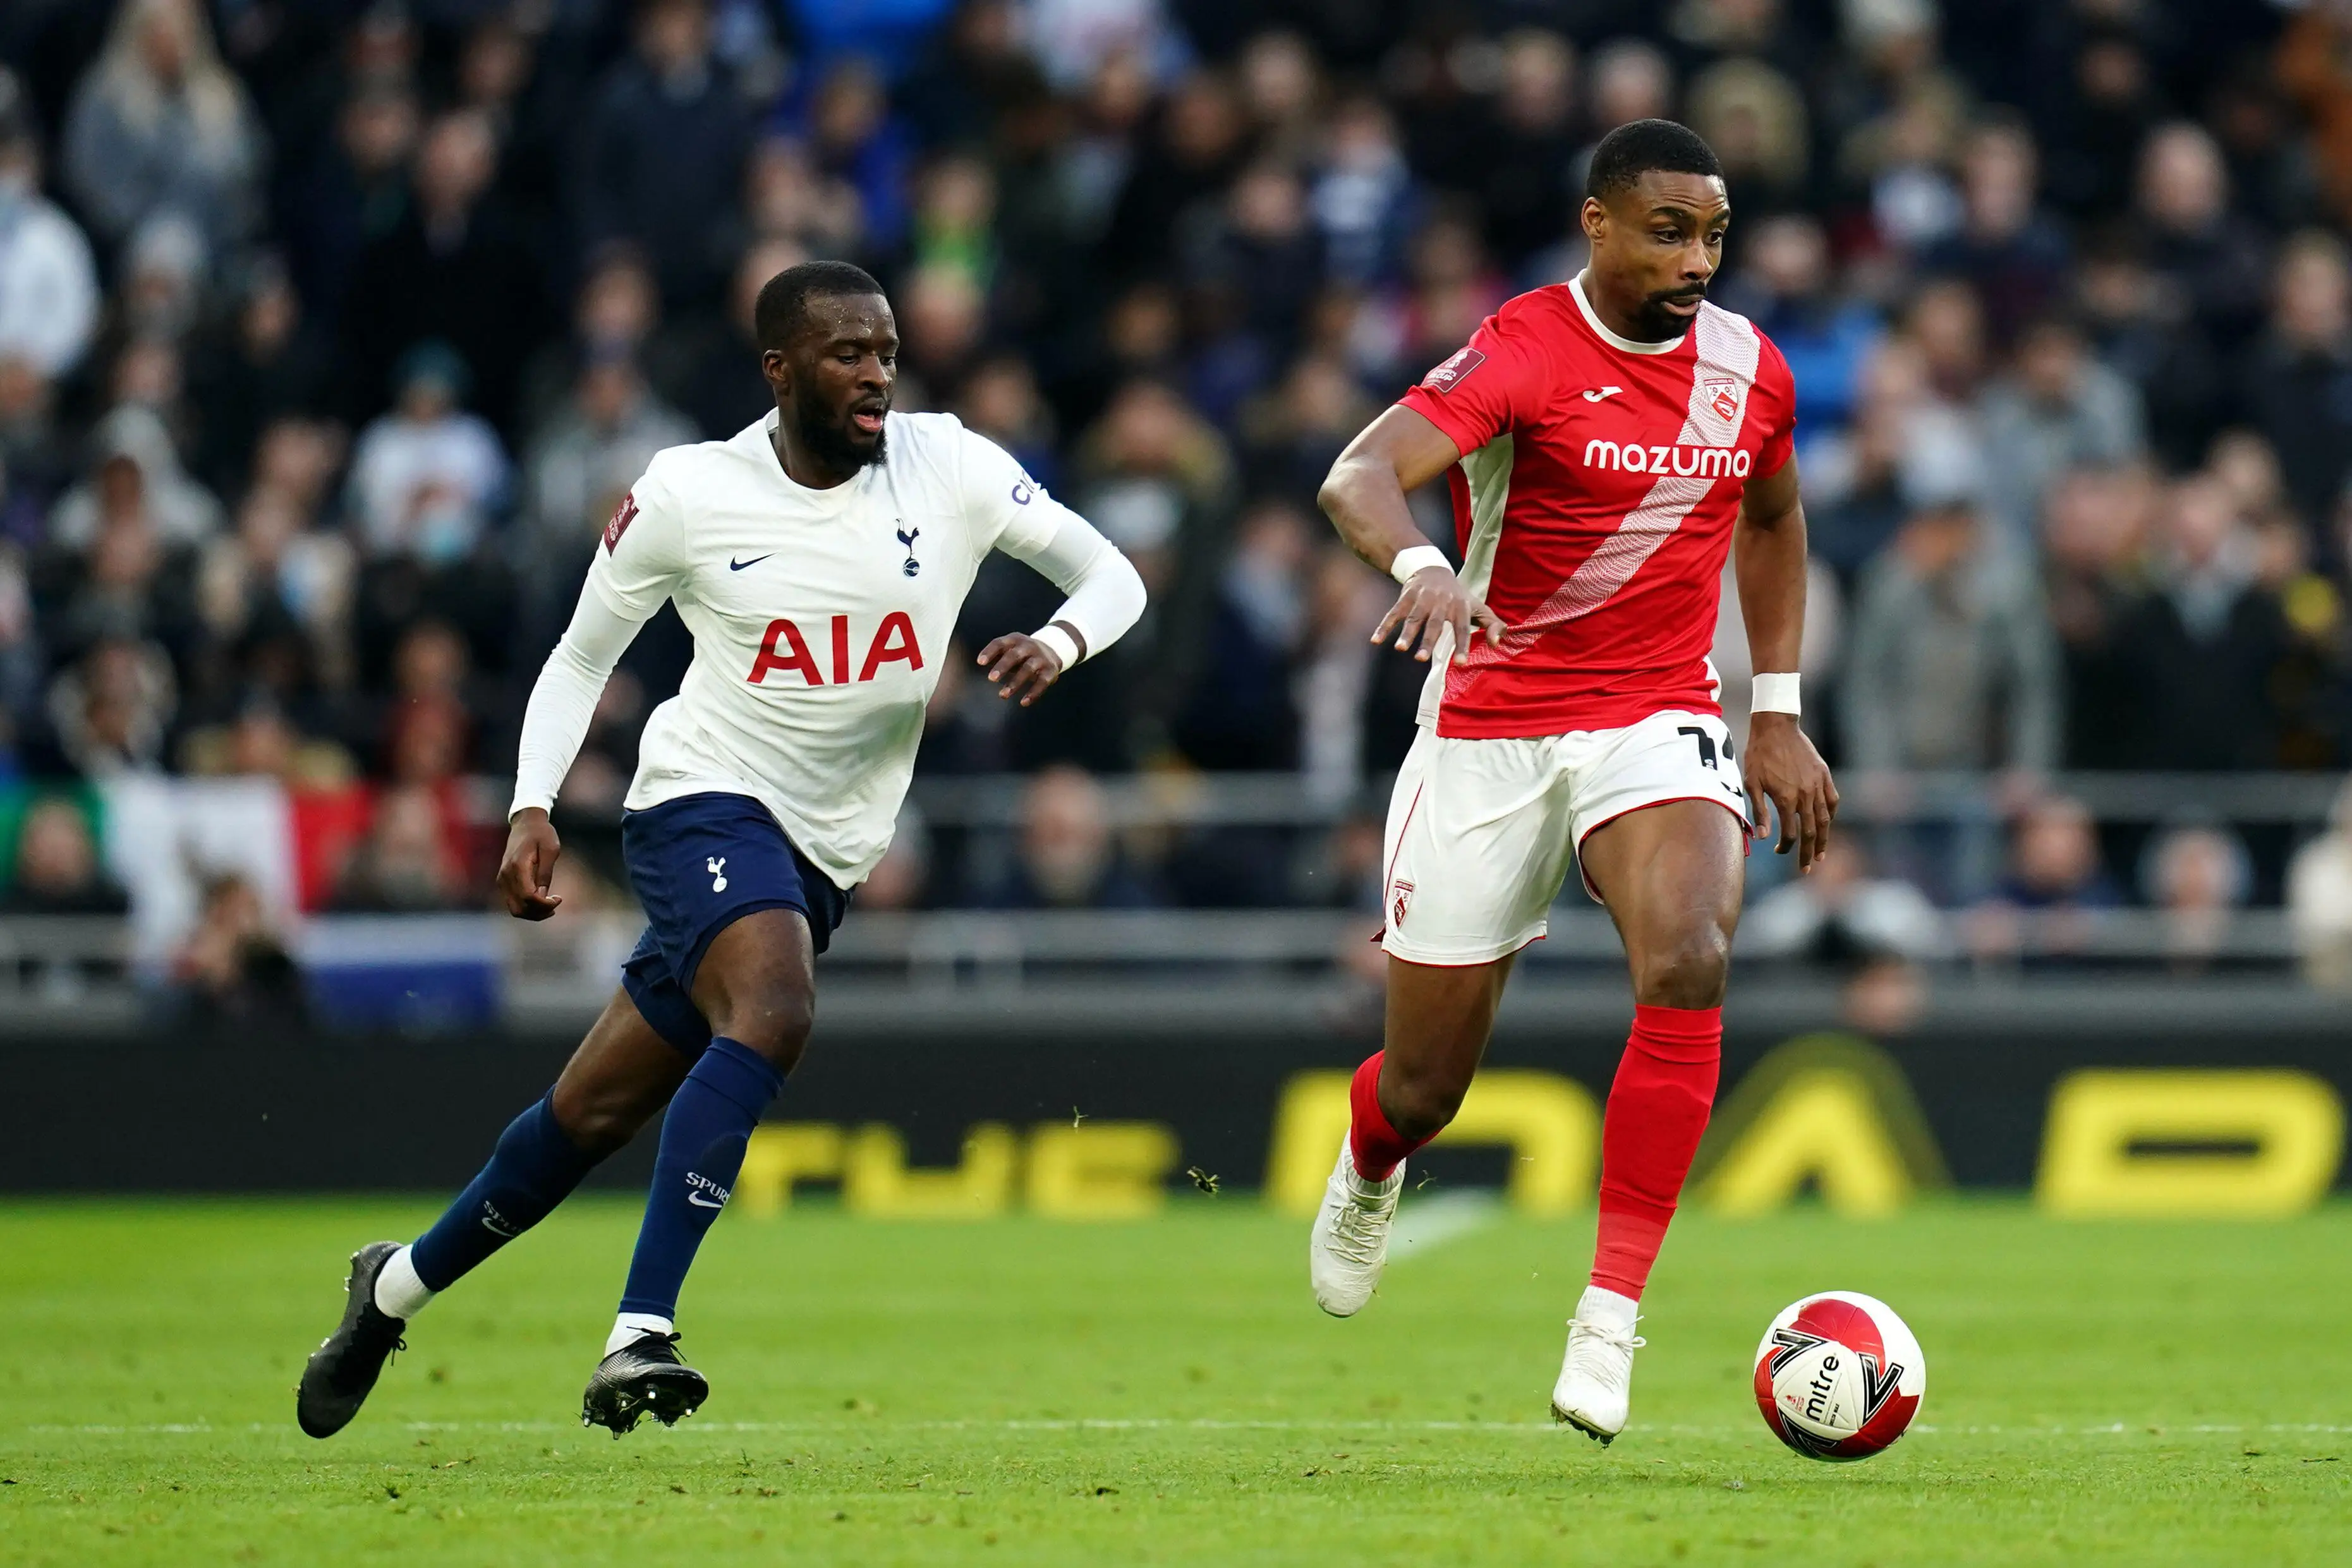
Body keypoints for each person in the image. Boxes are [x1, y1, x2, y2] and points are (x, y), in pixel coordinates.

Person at [295, 260, 1147, 1440]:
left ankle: (389, 1290)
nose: (876, 373)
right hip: (701, 798)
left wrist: (1061, 638)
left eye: (887, 350)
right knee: (777, 1004)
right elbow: (581, 655)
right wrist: (532, 804)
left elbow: (1114, 573)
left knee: (586, 1116)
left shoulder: (947, 462)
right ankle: (640, 1326)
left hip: (826, 852)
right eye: (848, 352)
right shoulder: (690, 492)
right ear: (779, 368)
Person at [1307, 120, 1833, 1444]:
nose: (1696, 259)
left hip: (1653, 713)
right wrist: (1418, 566)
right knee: (1427, 1086)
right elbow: (1356, 473)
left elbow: (1770, 521)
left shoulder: (1748, 372)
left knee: (1692, 952)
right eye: (1668, 230)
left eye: (1713, 234)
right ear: (1597, 224)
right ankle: (1372, 1156)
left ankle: (1609, 1311)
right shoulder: (1523, 347)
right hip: (1491, 722)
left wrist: (1773, 708)